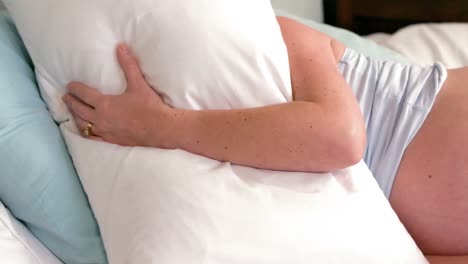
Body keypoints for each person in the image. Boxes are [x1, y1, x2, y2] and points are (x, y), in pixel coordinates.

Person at [62, 16, 467, 262]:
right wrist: (159, 126)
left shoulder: (285, 45)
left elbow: (340, 140)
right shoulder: (278, 47)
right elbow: (339, 140)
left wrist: (160, 125)